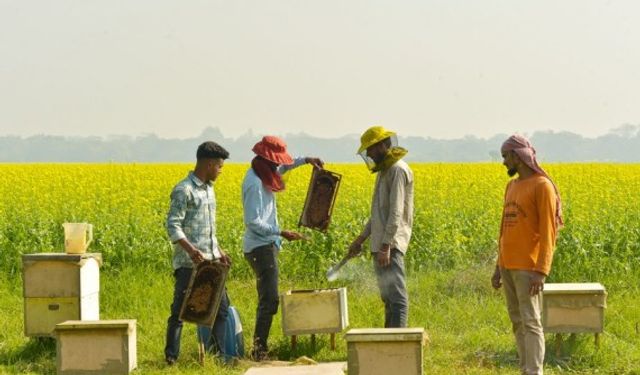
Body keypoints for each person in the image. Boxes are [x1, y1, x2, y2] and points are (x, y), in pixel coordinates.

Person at [242, 135, 323, 360]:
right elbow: (253, 221)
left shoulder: (266, 171)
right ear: (266, 159)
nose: (279, 164)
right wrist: (281, 232)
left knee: (268, 298)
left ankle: (260, 347)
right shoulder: (254, 182)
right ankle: (259, 350)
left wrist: (307, 160)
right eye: (275, 161)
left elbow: (287, 165)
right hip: (260, 246)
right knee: (269, 299)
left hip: (267, 245)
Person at [491, 134, 563, 375]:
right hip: (509, 265)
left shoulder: (542, 186)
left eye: (505, 157)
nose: (503, 163)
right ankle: (525, 369)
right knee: (517, 321)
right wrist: (498, 267)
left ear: (517, 157)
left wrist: (541, 271)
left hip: (528, 268)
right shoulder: (511, 186)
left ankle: (534, 371)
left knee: (531, 321)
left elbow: (548, 232)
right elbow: (504, 230)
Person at [164, 141, 232, 365]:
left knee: (220, 310)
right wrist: (192, 251)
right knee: (180, 313)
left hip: (211, 262)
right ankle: (171, 359)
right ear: (209, 164)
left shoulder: (209, 189)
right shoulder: (184, 190)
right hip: (189, 263)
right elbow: (173, 226)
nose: (220, 171)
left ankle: (220, 357)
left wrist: (219, 251)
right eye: (219, 167)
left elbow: (208, 228)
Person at [347, 126, 414, 328]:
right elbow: (378, 216)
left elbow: (395, 213)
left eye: (371, 148)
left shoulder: (398, 170)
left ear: (384, 145)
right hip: (381, 246)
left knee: (397, 298)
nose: (368, 153)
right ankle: (387, 345)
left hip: (390, 246)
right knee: (388, 299)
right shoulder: (384, 171)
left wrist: (385, 246)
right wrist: (360, 240)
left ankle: (398, 345)